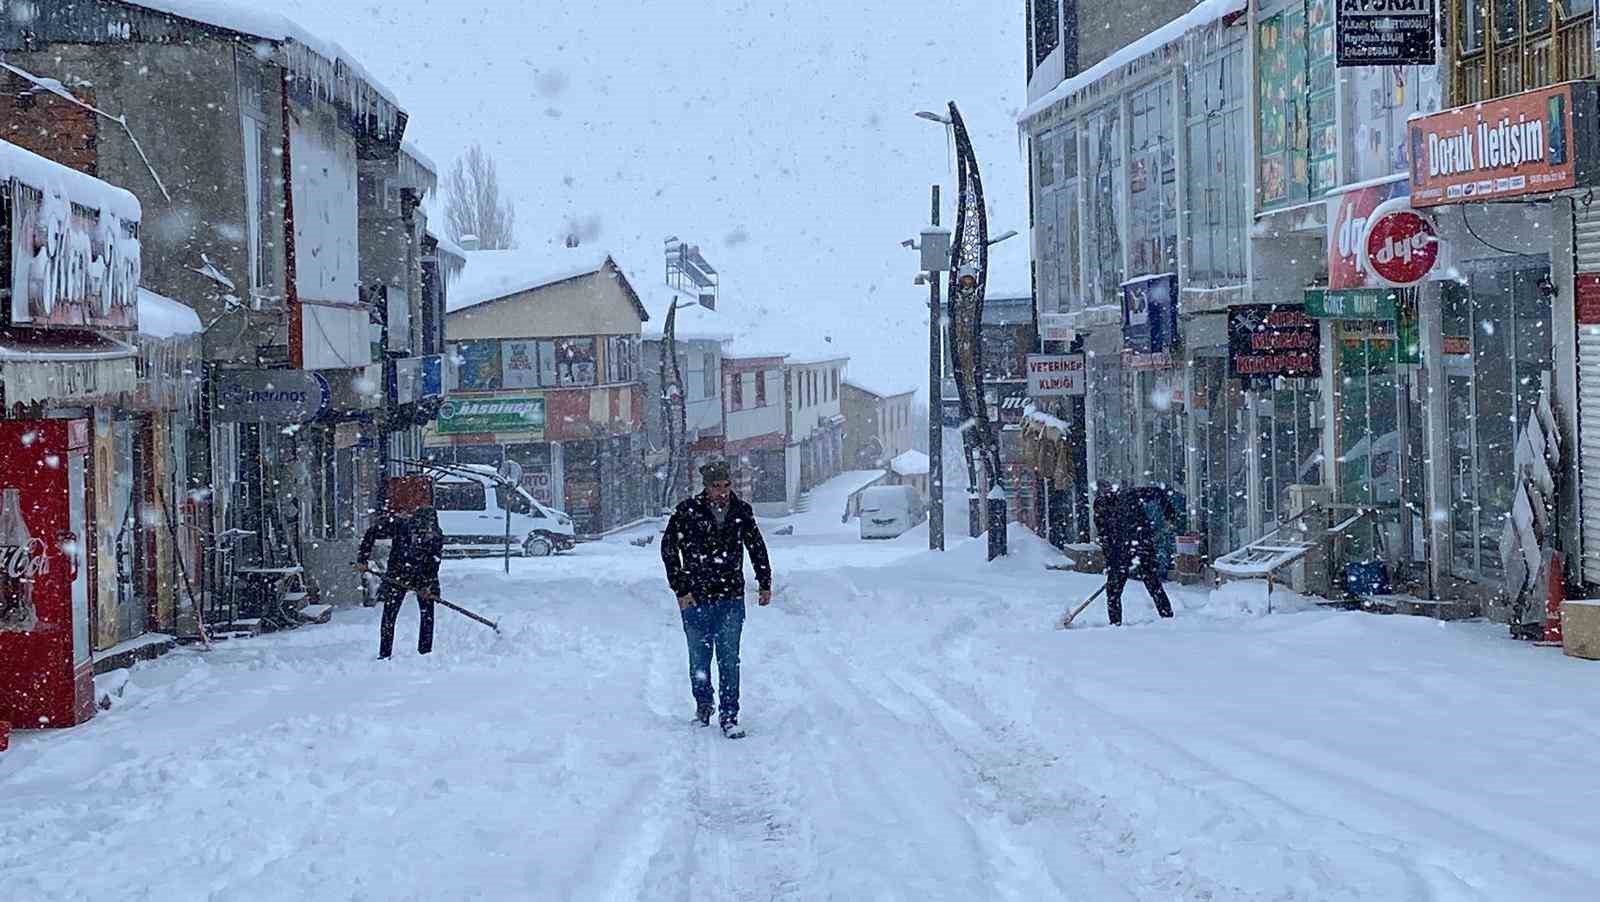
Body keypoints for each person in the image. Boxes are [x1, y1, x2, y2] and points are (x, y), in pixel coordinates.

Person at [660, 460, 773, 736]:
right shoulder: (687, 512)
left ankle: (729, 715)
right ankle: (704, 706)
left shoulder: (740, 511)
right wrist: (681, 589)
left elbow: (756, 545)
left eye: (726, 485)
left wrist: (764, 581)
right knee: (699, 659)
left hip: (730, 597)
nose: (722, 492)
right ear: (706, 487)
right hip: (695, 598)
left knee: (729, 659)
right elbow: (669, 549)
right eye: (716, 486)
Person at [354, 505, 446, 659]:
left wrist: (427, 587)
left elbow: (434, 562)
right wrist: (362, 559)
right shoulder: (400, 526)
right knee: (389, 614)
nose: (425, 533)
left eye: (428, 531)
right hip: (398, 575)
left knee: (427, 614)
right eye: (422, 530)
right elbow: (372, 532)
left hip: (423, 576)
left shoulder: (437, 535)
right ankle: (384, 653)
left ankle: (425, 653)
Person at [1093, 482, 1175, 626]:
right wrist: (1169, 513)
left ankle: (1115, 623)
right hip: (1136, 549)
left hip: (1136, 549)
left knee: (1118, 591)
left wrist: (1169, 513)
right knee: (1150, 584)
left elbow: (1156, 492)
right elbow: (1106, 541)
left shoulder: (1128, 496)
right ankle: (1167, 616)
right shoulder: (1126, 497)